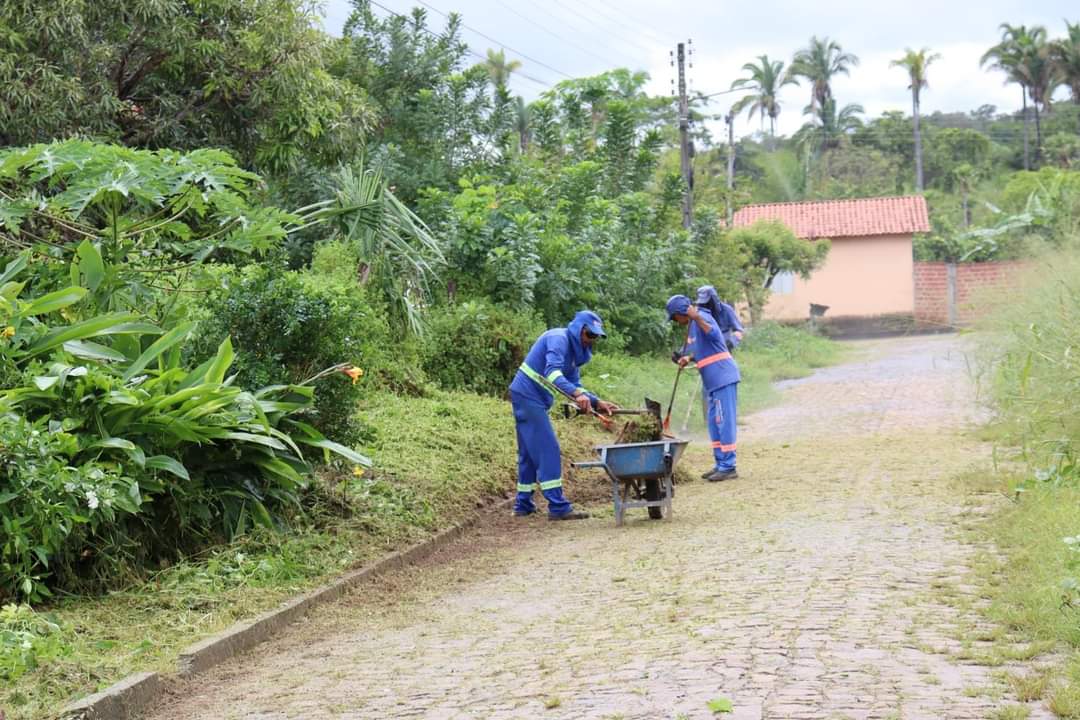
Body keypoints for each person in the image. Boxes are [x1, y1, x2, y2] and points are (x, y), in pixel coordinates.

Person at [508, 310, 619, 520]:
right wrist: (577, 395)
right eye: (589, 335)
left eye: (596, 337)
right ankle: (558, 507)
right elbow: (552, 373)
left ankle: (523, 504)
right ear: (579, 329)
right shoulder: (558, 339)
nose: (591, 340)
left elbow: (575, 384)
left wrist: (596, 401)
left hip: (532, 398)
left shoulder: (576, 354)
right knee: (548, 448)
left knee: (529, 454)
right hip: (527, 395)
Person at [666, 294, 740, 481]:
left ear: (682, 312)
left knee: (724, 422)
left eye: (675, 317)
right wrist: (688, 358)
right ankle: (720, 464)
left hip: (723, 377)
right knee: (714, 424)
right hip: (712, 382)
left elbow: (714, 335)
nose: (676, 321)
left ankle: (729, 466)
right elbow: (702, 349)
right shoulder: (692, 327)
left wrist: (696, 317)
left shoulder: (702, 318)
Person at [695, 285, 744, 352]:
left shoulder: (727, 310)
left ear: (714, 299)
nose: (706, 306)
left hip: (725, 348)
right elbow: (694, 337)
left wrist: (730, 343)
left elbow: (739, 331)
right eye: (703, 303)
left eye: (708, 303)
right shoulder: (699, 314)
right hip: (708, 349)